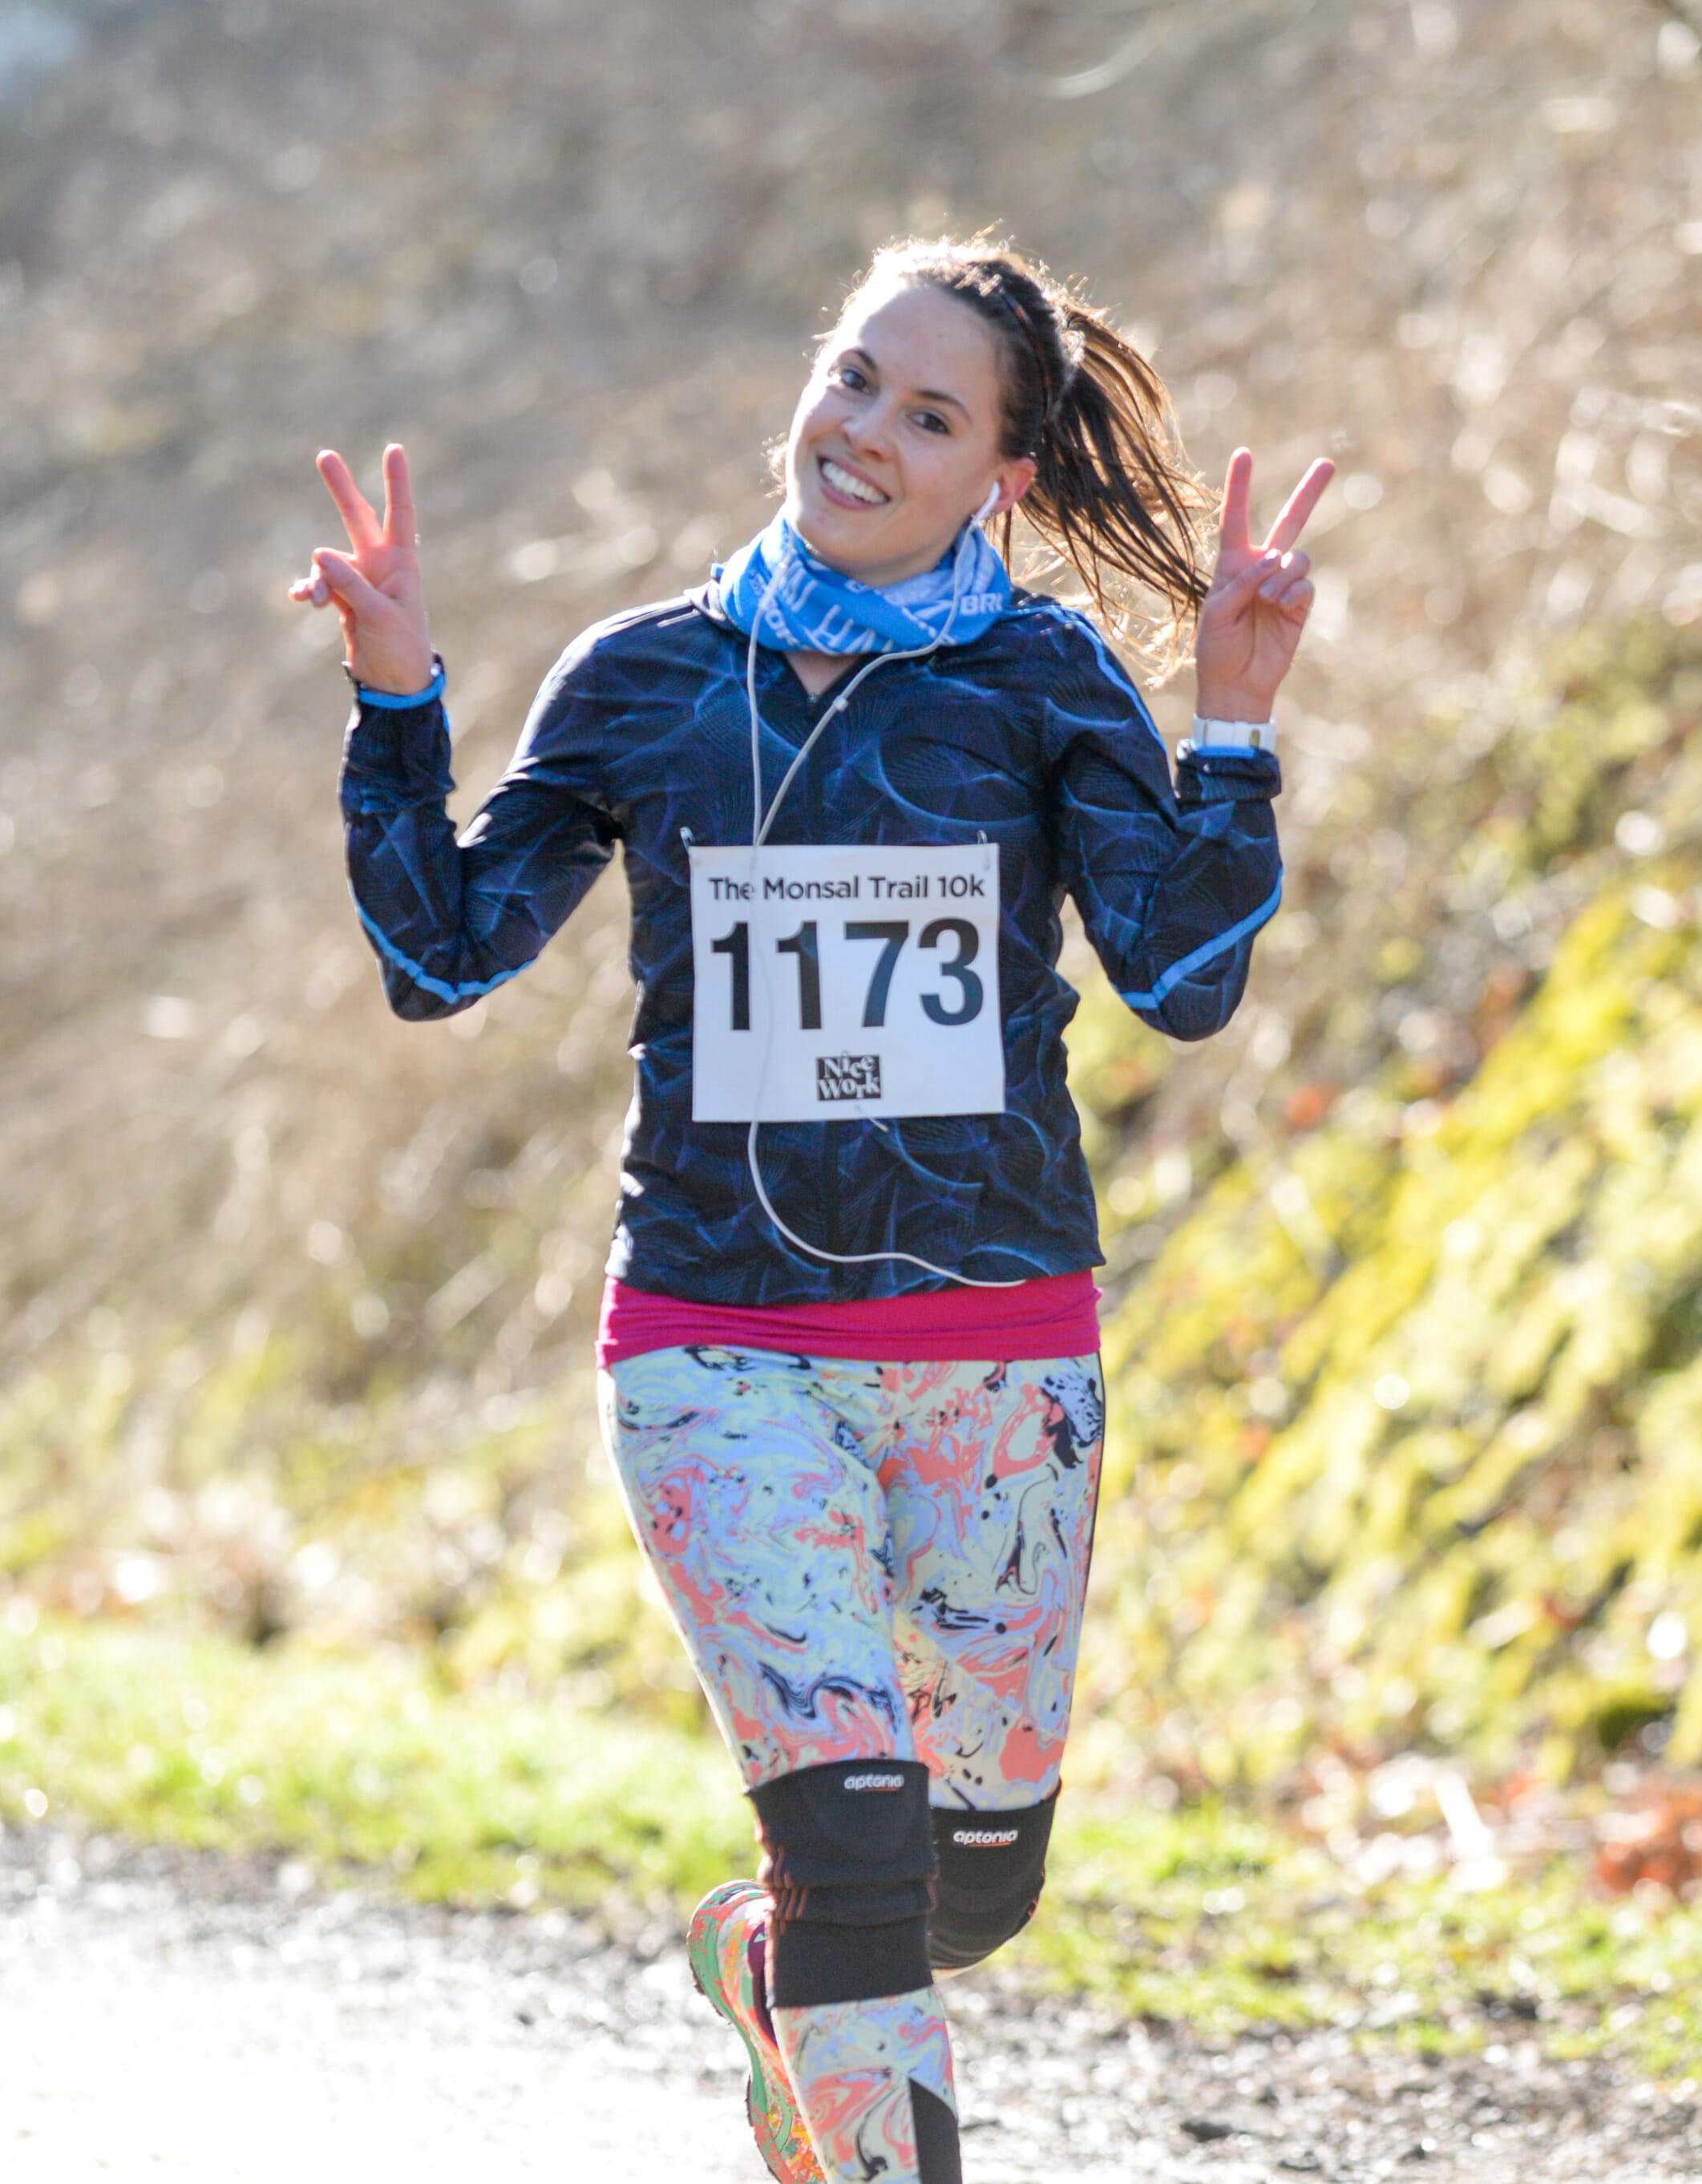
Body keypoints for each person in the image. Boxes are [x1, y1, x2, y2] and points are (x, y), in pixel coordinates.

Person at [296, 238, 1331, 2184]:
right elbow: (443, 957)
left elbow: (1184, 985)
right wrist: (395, 696)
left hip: (1001, 1353)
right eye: (855, 378)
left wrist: (1238, 729)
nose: (863, 430)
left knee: (968, 1895)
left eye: (929, 415)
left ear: (1000, 482)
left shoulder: (1043, 681)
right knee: (859, 1854)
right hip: (715, 1345)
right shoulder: (649, 680)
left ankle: (782, 1977)